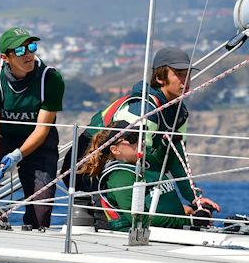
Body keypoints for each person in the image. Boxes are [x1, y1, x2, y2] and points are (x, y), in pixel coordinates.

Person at [62, 47, 205, 210]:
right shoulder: (143, 109)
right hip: (86, 169)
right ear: (159, 77)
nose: (185, 80)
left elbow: (177, 159)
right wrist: (175, 208)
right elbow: (133, 158)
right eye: (179, 74)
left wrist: (195, 199)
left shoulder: (179, 112)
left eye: (188, 74)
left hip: (123, 169)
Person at [0, 27, 64, 229]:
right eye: (19, 50)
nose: (28, 54)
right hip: (5, 137)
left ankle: (33, 233)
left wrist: (17, 155)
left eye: (31, 47)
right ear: (5, 57)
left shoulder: (51, 80)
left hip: (40, 143)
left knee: (40, 208)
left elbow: (42, 130)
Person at [79, 120, 221, 230]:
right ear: (115, 149)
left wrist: (166, 143)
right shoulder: (120, 176)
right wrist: (190, 220)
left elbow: (162, 160)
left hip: (170, 231)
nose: (140, 141)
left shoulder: (141, 163)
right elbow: (140, 219)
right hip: (145, 239)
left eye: (140, 135)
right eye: (133, 138)